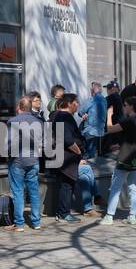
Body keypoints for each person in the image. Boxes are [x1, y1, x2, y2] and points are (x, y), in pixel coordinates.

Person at [102, 96, 136, 225]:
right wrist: (122, 144)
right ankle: (132, 216)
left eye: (125, 105)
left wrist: (109, 115)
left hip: (124, 158)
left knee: (116, 187)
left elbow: (110, 129)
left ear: (131, 106)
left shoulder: (129, 121)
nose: (123, 107)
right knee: (133, 187)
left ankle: (109, 216)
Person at [8, 96, 44, 230]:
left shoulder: (13, 121)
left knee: (18, 192)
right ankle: (36, 222)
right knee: (34, 191)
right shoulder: (39, 121)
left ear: (20, 107)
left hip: (18, 160)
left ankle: (19, 224)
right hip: (33, 159)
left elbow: (10, 143)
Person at [50, 93, 85, 222]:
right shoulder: (65, 117)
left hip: (60, 156)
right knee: (67, 185)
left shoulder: (57, 115)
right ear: (69, 104)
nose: (78, 105)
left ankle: (62, 212)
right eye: (76, 102)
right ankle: (63, 214)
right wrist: (78, 152)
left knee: (65, 184)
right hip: (67, 158)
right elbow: (67, 140)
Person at [83, 82, 107, 158]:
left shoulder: (92, 99)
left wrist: (84, 114)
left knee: (88, 154)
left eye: (91, 88)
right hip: (100, 130)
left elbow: (81, 111)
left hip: (90, 130)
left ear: (93, 90)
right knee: (93, 152)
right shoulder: (104, 100)